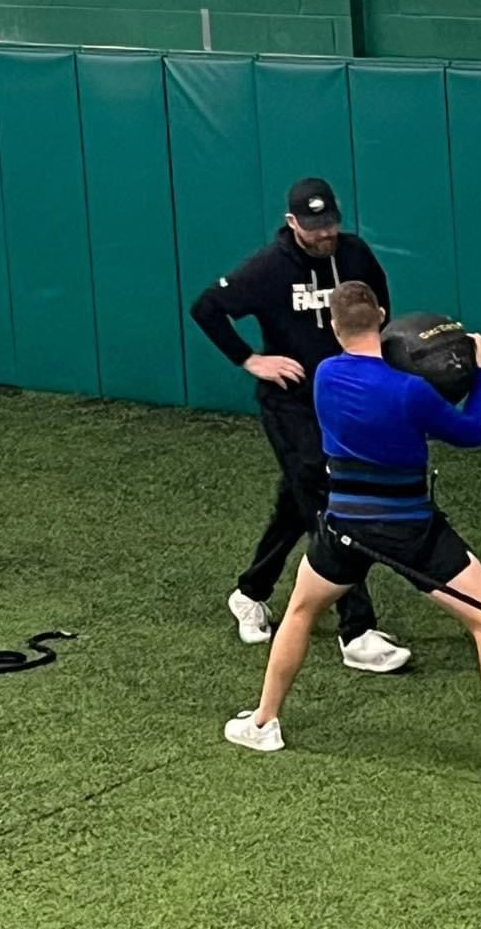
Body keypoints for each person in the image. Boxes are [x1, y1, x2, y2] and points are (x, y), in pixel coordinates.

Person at [223, 280, 481, 789]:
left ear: (331, 325)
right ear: (383, 316)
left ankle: (263, 723)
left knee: (299, 613)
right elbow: (470, 432)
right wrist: (478, 373)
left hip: (344, 528)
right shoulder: (412, 391)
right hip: (411, 531)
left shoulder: (325, 374)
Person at [190, 178, 410, 674]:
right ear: (293, 224)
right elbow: (207, 308)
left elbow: (379, 311)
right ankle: (357, 631)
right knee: (331, 502)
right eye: (313, 228)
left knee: (298, 503)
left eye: (330, 223)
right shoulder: (269, 268)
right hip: (291, 406)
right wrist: (251, 360)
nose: (325, 234)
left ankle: (250, 593)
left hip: (344, 401)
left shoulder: (355, 255)